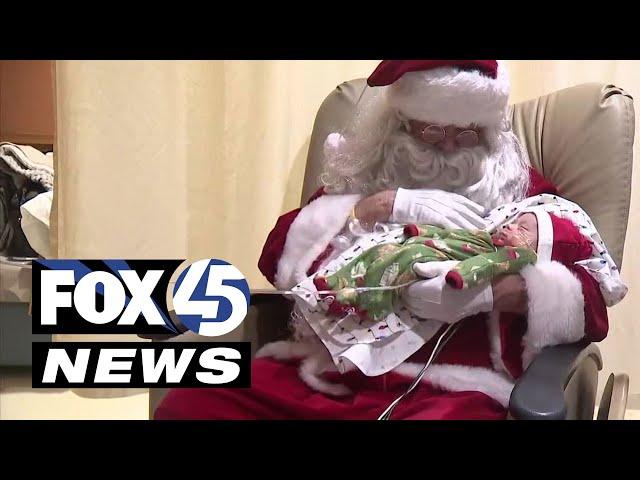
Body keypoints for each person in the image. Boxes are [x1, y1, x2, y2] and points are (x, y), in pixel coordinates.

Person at [155, 60, 626, 420]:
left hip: (449, 388)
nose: (447, 147)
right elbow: (277, 257)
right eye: (433, 131)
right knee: (192, 403)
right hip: (329, 372)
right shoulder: (363, 178)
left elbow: (592, 295)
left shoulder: (523, 191)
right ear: (401, 126)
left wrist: (508, 293)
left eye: (464, 135)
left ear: (485, 133)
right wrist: (377, 207)